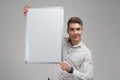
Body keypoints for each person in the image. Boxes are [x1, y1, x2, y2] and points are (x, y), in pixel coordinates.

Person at [23, 5, 93, 80]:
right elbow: (42, 32)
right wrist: (30, 15)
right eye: (72, 29)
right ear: (68, 31)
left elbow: (89, 77)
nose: (75, 32)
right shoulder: (58, 41)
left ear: (82, 30)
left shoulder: (86, 52)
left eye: (78, 29)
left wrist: (71, 70)